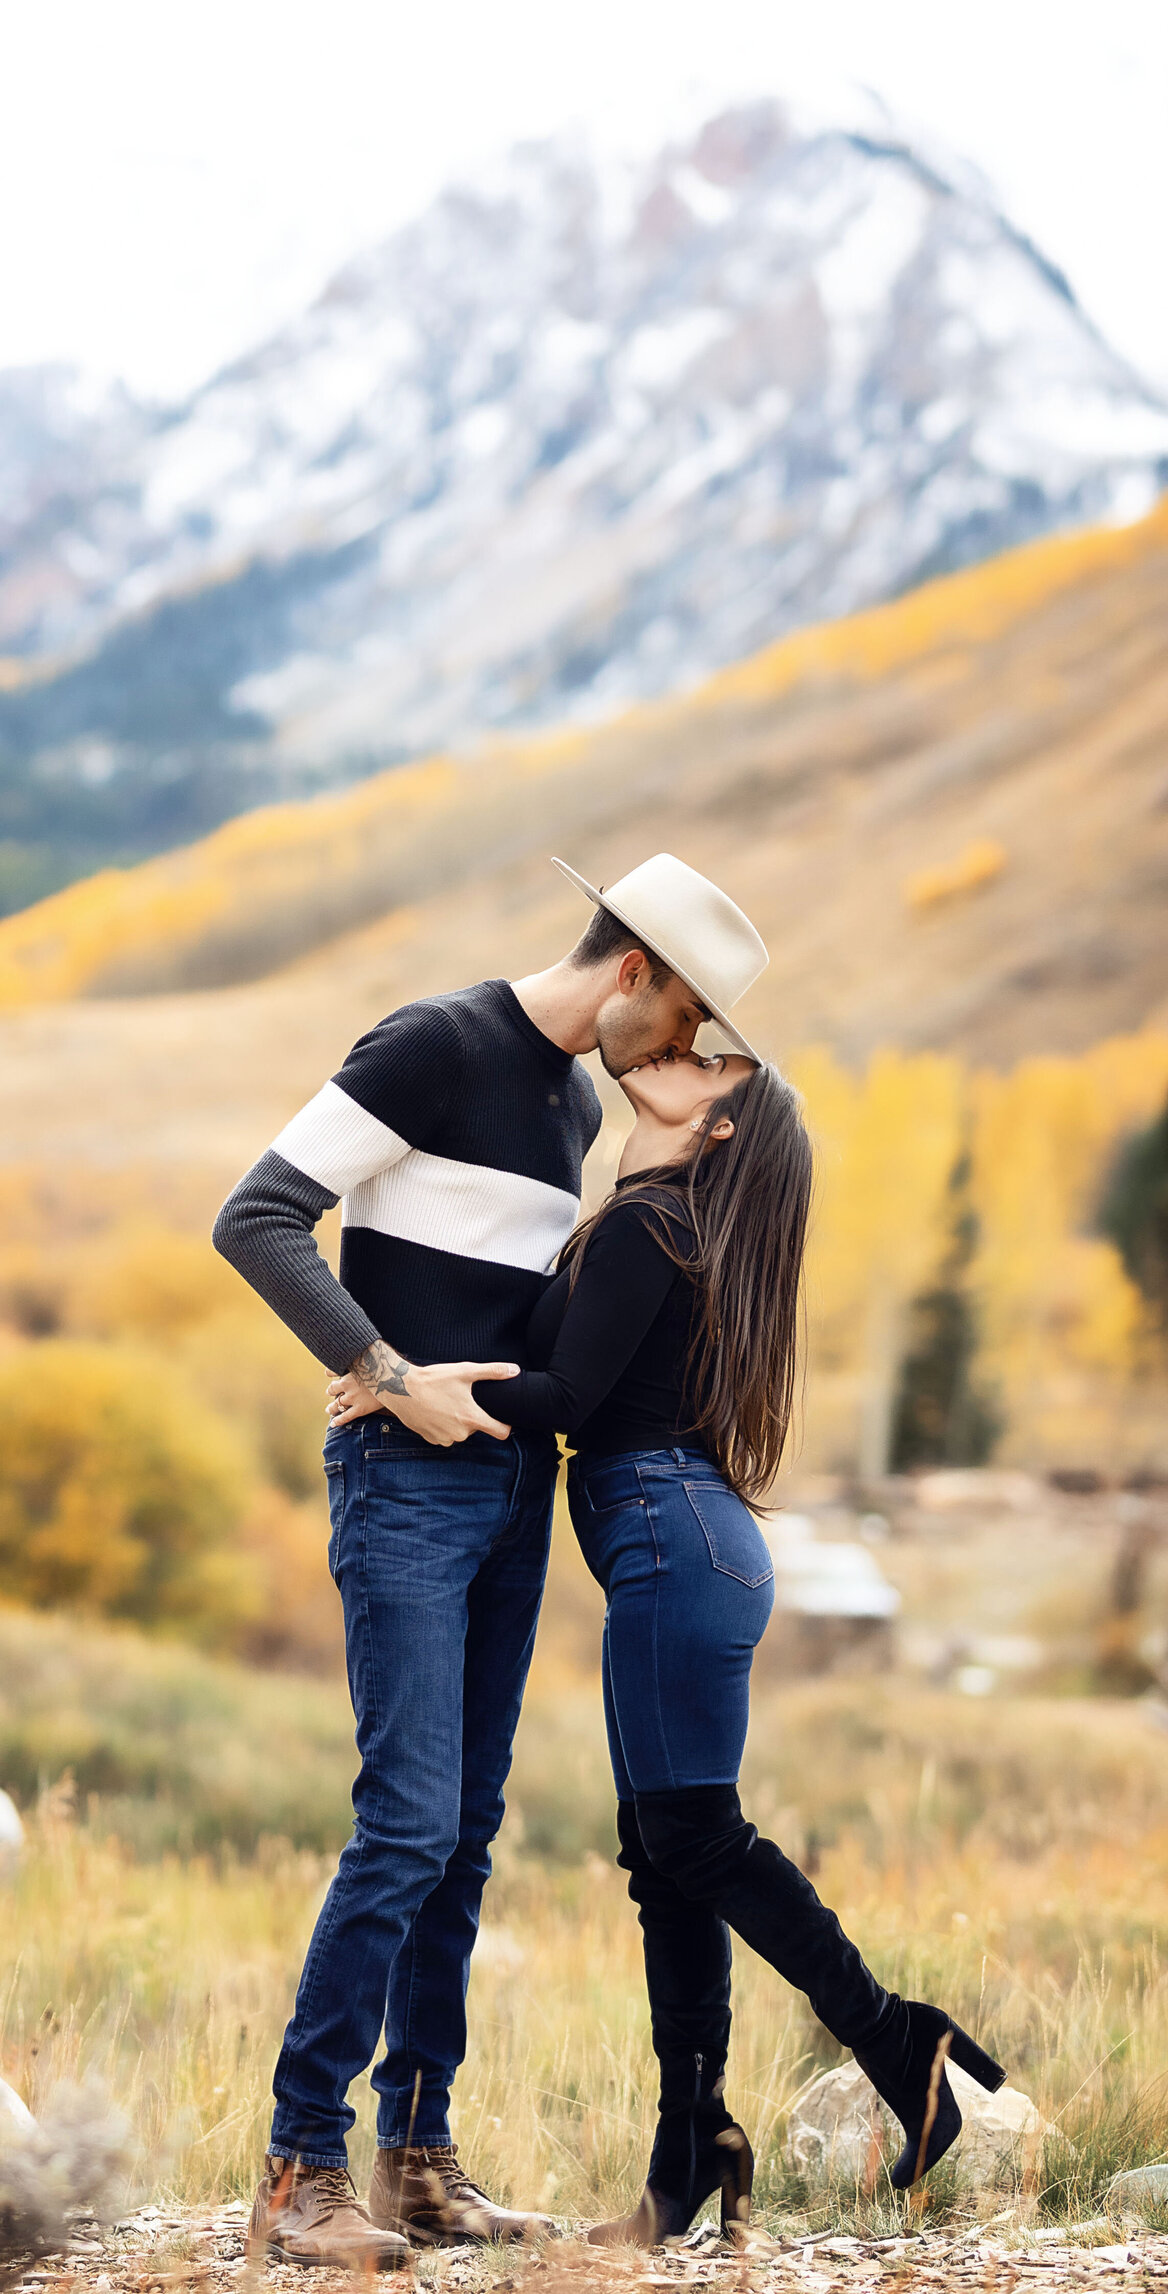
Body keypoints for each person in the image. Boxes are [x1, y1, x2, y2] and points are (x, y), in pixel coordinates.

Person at [328, 902, 1008, 2245]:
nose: (683, 1051)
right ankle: (689, 2148)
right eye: (695, 1038)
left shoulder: (654, 1227)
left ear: (717, 1129)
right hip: (683, 1543)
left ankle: (899, 2044)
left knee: (693, 1836)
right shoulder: (647, 1217)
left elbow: (568, 1387)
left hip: (668, 1541)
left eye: (710, 1064)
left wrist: (409, 1386)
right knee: (666, 1852)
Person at [213, 852, 771, 2268]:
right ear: (634, 969)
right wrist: (387, 1372)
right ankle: (298, 2171)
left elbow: (535, 1323)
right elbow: (257, 1216)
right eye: (691, 1012)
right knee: (404, 1821)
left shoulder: (582, 1101)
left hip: (510, 1488)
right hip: (403, 1482)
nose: (692, 1049)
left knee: (463, 1833)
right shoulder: (434, 1043)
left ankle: (414, 2158)